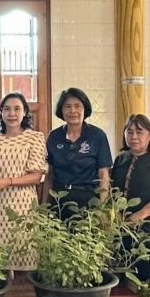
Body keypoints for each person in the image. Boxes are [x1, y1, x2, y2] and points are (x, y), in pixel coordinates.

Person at [0, 92, 47, 272]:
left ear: (25, 112)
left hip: (23, 204)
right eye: (7, 109)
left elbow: (36, 176)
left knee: (24, 250)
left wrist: (7, 181)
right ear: (1, 112)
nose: (12, 113)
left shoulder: (35, 137)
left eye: (17, 109)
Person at [110, 114, 150, 281]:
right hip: (122, 227)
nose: (133, 136)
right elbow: (112, 191)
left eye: (139, 132)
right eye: (129, 132)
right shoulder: (120, 159)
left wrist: (141, 214)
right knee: (123, 277)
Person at [45, 87, 113, 217]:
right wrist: (44, 205)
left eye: (77, 106)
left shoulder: (97, 136)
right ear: (61, 110)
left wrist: (103, 209)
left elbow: (103, 175)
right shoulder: (54, 136)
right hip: (59, 200)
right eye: (67, 106)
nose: (72, 111)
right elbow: (50, 174)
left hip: (88, 200)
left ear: (85, 109)